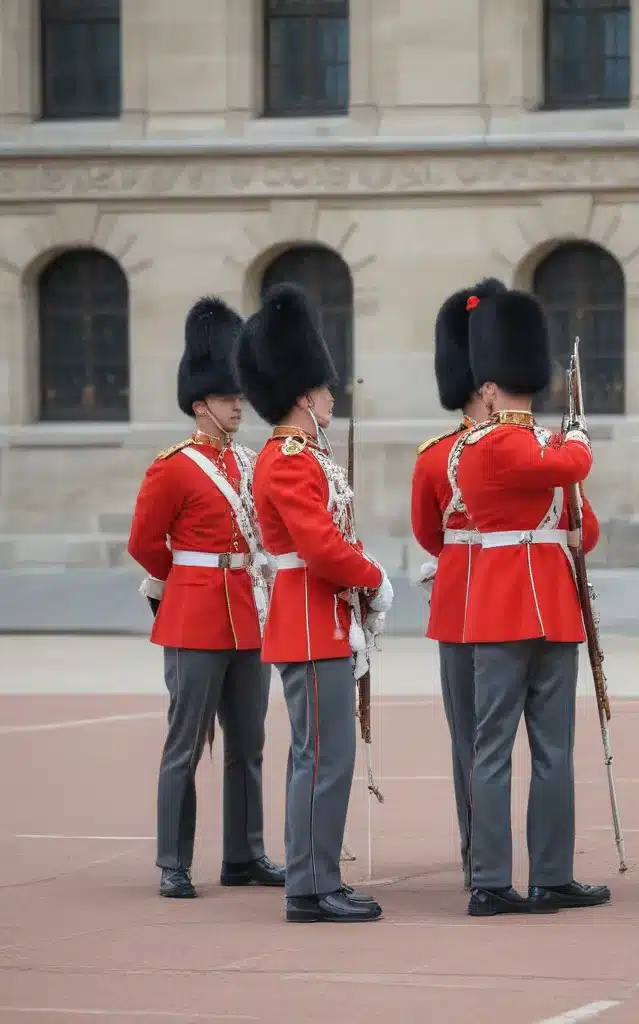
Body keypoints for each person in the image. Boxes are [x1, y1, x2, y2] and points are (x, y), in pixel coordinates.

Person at [234, 281, 394, 924]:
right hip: (310, 620)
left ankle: (314, 876)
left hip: (318, 618)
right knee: (324, 759)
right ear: (304, 392)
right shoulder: (290, 458)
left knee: (321, 756)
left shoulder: (296, 454)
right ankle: (310, 884)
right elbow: (322, 548)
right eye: (325, 387)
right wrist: (374, 576)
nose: (333, 395)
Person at [451, 286, 611, 917]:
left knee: (553, 749)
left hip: (551, 601)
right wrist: (577, 445)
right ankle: (489, 878)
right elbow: (554, 466)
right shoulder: (489, 447)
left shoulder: (545, 448)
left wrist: (569, 473)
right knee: (494, 746)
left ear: (491, 385)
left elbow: (585, 527)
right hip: (507, 603)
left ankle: (552, 873)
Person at [127, 296, 283, 899]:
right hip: (194, 615)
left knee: (248, 744)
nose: (237, 406)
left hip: (249, 614)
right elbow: (145, 542)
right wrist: (187, 578)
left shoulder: (249, 462)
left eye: (239, 397)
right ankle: (174, 859)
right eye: (227, 398)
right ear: (201, 404)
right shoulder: (174, 467)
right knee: (185, 743)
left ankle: (245, 854)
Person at [410, 277, 506, 888]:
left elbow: (429, 535)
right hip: (476, 603)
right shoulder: (438, 454)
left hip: (465, 599)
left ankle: (486, 857)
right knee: (475, 739)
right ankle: (484, 852)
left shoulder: (435, 457)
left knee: (476, 741)